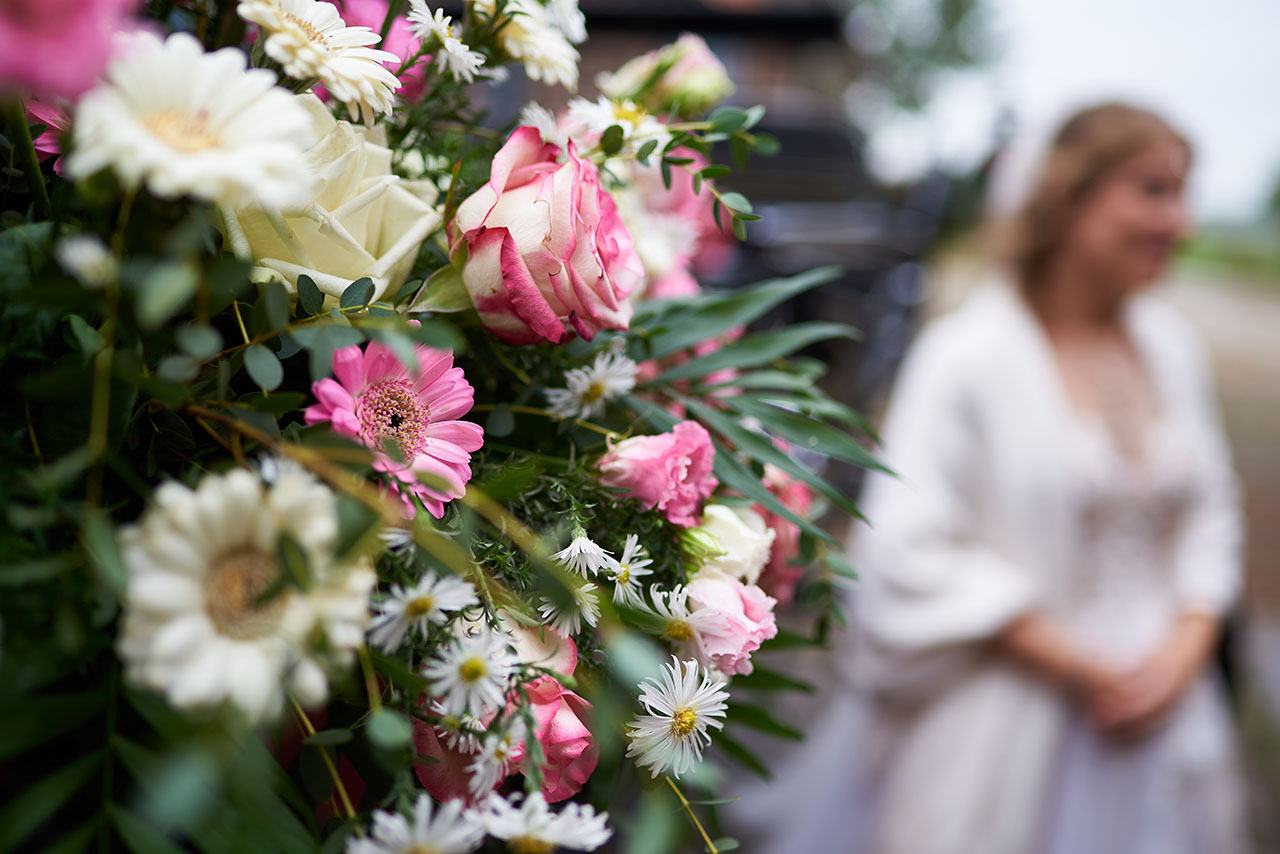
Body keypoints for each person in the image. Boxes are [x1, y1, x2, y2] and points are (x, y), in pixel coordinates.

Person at [833, 102, 1248, 854]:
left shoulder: (1172, 349)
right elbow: (905, 549)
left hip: (1173, 715)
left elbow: (1209, 509)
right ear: (1070, 196)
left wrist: (1189, 643)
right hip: (1007, 726)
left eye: (1183, 193)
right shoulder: (967, 358)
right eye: (1152, 190)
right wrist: (1082, 665)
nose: (1180, 222)